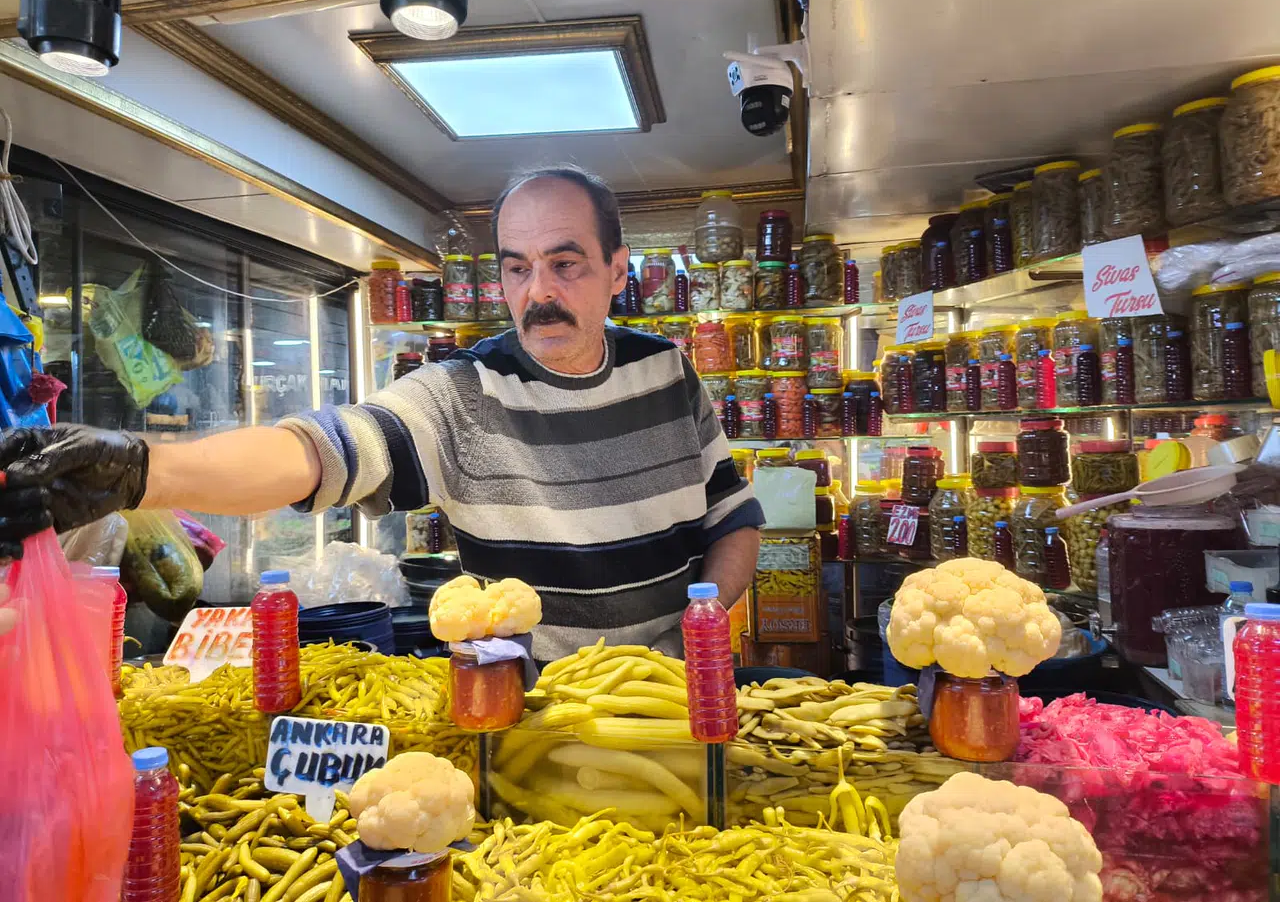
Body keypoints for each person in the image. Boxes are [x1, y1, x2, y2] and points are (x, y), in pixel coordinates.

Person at [0, 166, 763, 659]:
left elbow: (733, 517)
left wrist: (705, 626)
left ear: (617, 269)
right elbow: (324, 450)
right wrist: (143, 469)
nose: (539, 292)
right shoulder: (464, 391)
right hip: (530, 715)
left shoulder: (667, 370)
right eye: (517, 268)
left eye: (565, 264)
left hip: (673, 700)